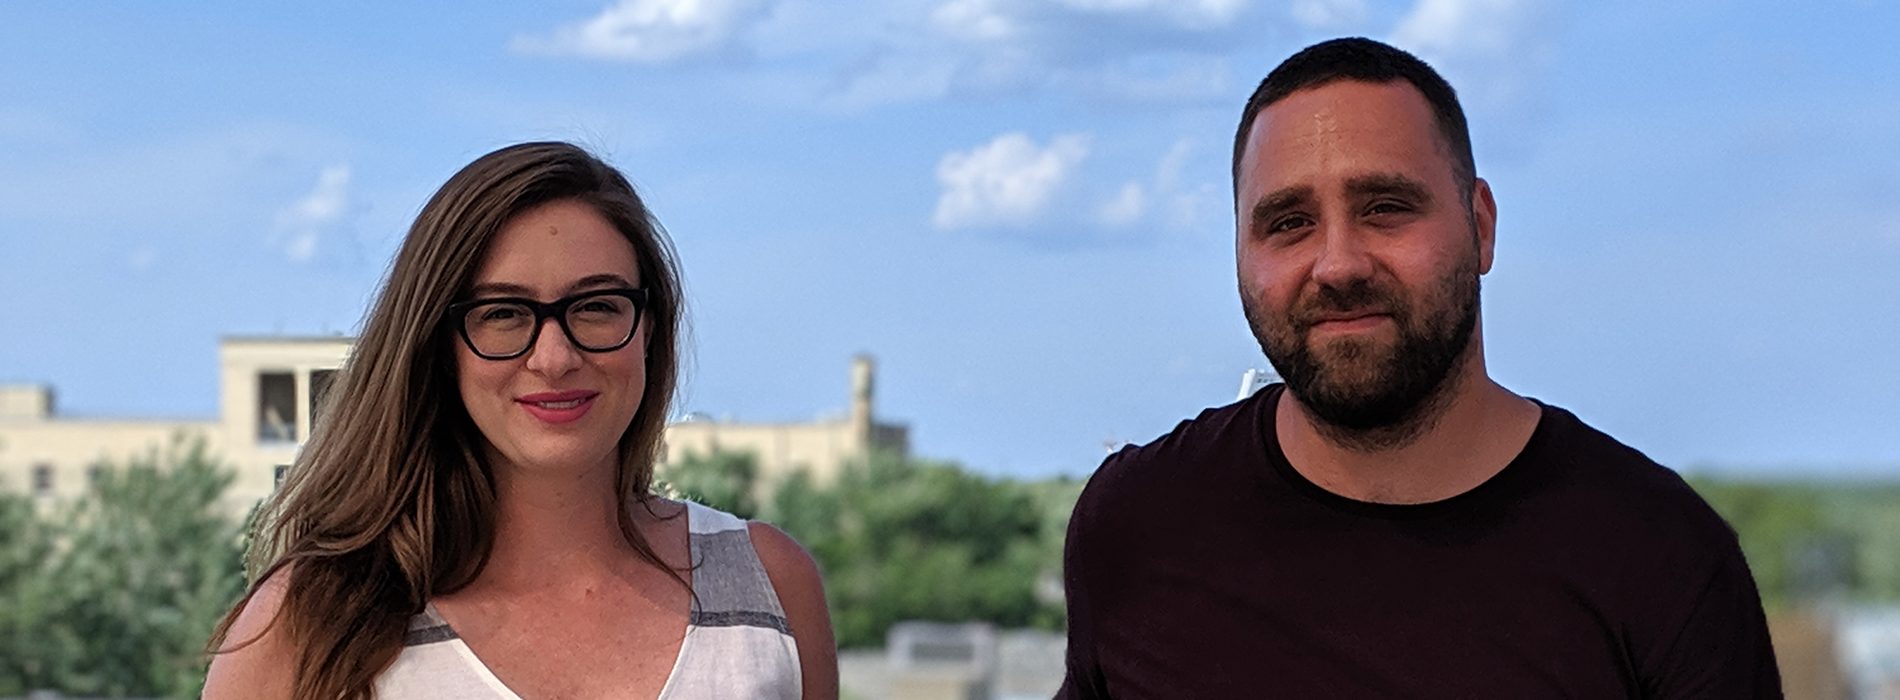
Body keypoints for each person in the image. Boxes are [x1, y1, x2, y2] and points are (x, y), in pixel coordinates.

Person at [1059, 38, 1781, 698]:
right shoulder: (1135, 526)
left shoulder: (1663, 561)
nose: (1338, 264)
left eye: (1385, 207)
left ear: (1481, 226)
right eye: (1288, 223)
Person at [203, 142, 838, 699]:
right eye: (503, 314)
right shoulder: (308, 626)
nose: (554, 358)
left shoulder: (771, 588)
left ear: (648, 328)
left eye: (596, 306)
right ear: (438, 347)